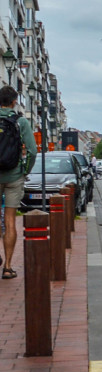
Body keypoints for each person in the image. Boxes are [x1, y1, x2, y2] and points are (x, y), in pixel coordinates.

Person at [0, 86, 37, 280]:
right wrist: (25, 171)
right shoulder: (20, 121)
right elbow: (32, 150)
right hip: (14, 176)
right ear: (14, 101)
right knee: (10, 220)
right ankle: (7, 266)